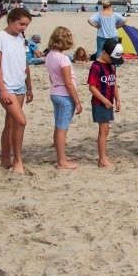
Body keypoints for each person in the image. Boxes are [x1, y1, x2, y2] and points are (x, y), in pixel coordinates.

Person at [0, 8, 33, 174]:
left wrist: (29, 87)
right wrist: (2, 90)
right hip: (5, 85)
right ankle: (17, 160)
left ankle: (5, 158)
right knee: (21, 121)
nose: (24, 27)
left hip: (19, 83)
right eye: (21, 24)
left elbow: (25, 64)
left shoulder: (22, 39)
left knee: (11, 122)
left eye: (26, 25)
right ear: (11, 20)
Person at [45, 26, 83, 170]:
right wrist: (77, 101)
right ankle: (61, 161)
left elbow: (52, 77)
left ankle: (61, 156)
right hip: (64, 95)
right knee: (62, 128)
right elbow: (68, 82)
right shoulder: (63, 59)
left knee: (58, 126)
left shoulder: (49, 56)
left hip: (55, 92)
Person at [87, 38, 123, 168]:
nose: (113, 61)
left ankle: (103, 156)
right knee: (103, 130)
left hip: (109, 102)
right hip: (100, 102)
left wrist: (117, 99)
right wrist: (105, 101)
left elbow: (114, 83)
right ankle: (102, 159)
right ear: (104, 52)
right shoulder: (96, 66)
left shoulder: (111, 65)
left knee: (106, 130)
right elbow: (92, 87)